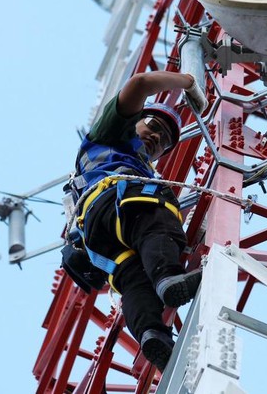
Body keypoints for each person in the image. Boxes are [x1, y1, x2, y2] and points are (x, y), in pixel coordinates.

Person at [70, 70, 207, 371]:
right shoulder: (113, 132)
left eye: (165, 142)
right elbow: (141, 84)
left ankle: (151, 334)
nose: (158, 138)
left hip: (99, 238)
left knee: (133, 280)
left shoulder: (137, 166)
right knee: (157, 212)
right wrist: (189, 82)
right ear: (135, 120)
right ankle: (168, 278)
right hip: (116, 203)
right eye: (154, 126)